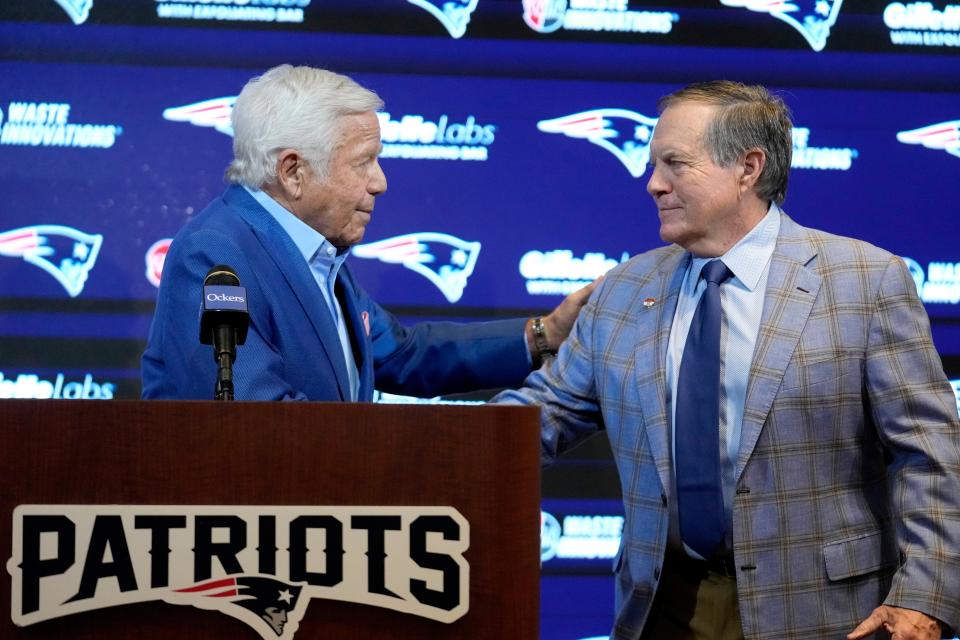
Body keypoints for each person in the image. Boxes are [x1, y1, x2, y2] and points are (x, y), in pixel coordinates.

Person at [495, 81, 960, 640]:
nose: (653, 184)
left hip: (825, 613)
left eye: (675, 164)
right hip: (662, 609)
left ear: (748, 167)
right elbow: (533, 420)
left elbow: (929, 457)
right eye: (652, 164)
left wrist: (925, 596)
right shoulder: (622, 291)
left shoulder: (865, 281)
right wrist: (414, 447)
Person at [142, 65, 591, 401]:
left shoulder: (317, 253)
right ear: (293, 171)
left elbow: (401, 355)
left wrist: (544, 334)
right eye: (363, 162)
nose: (380, 182)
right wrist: (408, 456)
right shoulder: (217, 256)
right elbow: (257, 420)